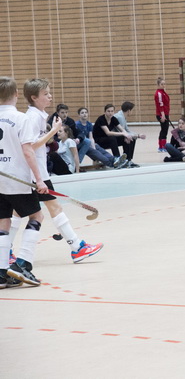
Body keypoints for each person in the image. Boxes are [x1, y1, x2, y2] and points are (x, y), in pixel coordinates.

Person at [22, 78, 103, 263]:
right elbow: (31, 146)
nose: (50, 96)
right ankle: (77, 247)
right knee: (53, 207)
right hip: (36, 173)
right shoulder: (33, 117)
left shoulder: (39, 115)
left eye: (49, 92)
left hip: (35, 171)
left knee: (17, 213)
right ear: (34, 97)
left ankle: (7, 253)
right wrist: (54, 131)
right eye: (45, 94)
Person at [0, 77, 49, 288]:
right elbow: (28, 151)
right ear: (17, 94)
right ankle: (22, 264)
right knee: (36, 216)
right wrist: (39, 179)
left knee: (3, 222)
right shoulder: (21, 118)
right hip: (18, 179)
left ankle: (1, 272)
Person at [114, 101, 146, 168]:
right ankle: (126, 160)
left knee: (132, 138)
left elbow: (127, 130)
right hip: (113, 137)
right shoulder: (120, 117)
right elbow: (122, 132)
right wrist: (137, 136)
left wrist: (138, 135)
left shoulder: (122, 116)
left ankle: (128, 160)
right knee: (129, 139)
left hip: (118, 135)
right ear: (129, 110)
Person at [155, 77, 170, 152]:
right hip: (161, 114)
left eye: (164, 84)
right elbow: (160, 105)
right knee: (164, 130)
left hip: (165, 113)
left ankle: (162, 146)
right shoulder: (159, 93)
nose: (163, 85)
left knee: (164, 129)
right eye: (162, 84)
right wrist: (163, 115)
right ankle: (162, 147)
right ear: (158, 85)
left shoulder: (163, 92)